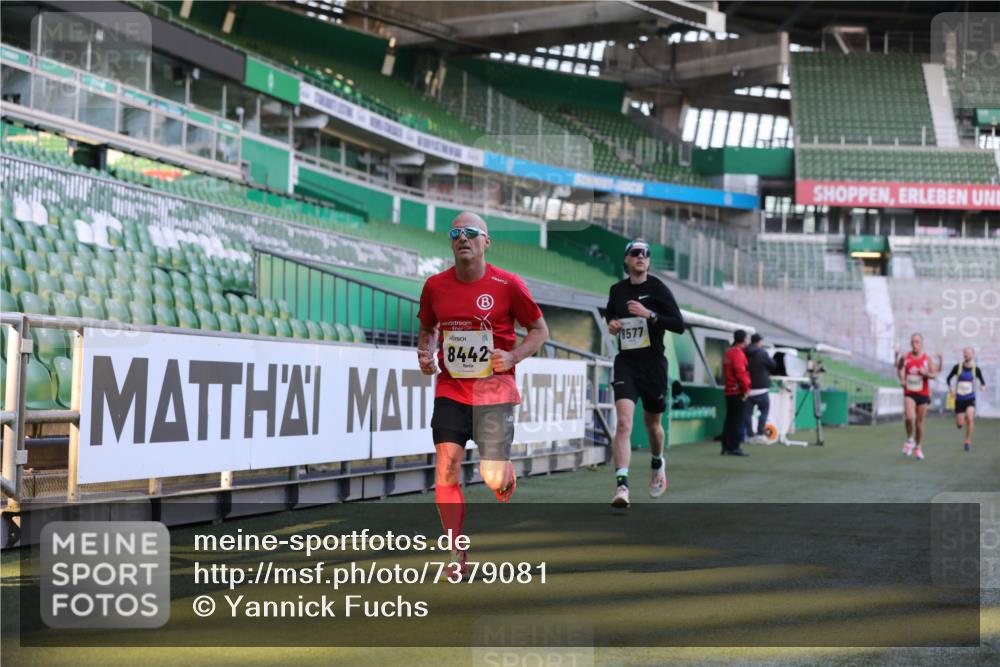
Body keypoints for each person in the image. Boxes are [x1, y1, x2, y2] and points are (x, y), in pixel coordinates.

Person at [417, 212, 549, 575]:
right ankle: (455, 553)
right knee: (446, 467)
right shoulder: (435, 286)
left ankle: (504, 471)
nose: (463, 238)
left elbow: (539, 330)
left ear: (486, 241)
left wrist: (513, 355)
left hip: (495, 390)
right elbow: (428, 328)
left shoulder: (508, 284)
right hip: (451, 388)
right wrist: (426, 354)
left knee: (493, 479)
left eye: (471, 233)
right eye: (456, 233)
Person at [604, 238, 685, 508]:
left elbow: (679, 325)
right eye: (635, 253)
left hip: (653, 367)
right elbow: (610, 316)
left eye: (645, 254)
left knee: (653, 427)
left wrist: (650, 315)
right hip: (626, 363)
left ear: (649, 261)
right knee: (624, 423)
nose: (641, 257)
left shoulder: (658, 289)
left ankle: (657, 461)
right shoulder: (617, 290)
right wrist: (613, 324)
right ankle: (622, 487)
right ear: (627, 259)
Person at [896, 333, 941, 461]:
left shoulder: (927, 359)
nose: (914, 344)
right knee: (909, 417)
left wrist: (925, 373)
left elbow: (934, 375)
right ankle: (910, 440)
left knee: (919, 423)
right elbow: (899, 369)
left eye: (917, 342)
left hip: (923, 393)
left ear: (921, 344)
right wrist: (902, 379)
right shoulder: (906, 357)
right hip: (909, 392)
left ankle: (919, 447)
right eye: (912, 342)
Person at [946, 347, 987, 452]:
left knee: (970, 417)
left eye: (968, 353)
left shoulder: (976, 369)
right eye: (965, 353)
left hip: (970, 398)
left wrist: (983, 386)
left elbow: (983, 383)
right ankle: (962, 419)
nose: (966, 355)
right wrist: (951, 390)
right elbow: (948, 379)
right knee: (959, 425)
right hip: (959, 399)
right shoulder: (958, 367)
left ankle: (967, 441)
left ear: (972, 355)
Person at [722, 330, 751, 457]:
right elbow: (741, 373)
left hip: (729, 390)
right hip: (737, 391)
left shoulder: (729, 352)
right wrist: (746, 389)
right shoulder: (738, 353)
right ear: (744, 339)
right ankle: (734, 447)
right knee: (737, 420)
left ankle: (726, 446)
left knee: (730, 419)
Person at [744, 333, 776, 443]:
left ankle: (749, 436)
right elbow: (773, 365)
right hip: (761, 388)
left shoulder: (744, 352)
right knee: (764, 412)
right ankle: (759, 434)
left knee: (747, 414)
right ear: (759, 341)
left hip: (747, 388)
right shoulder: (762, 353)